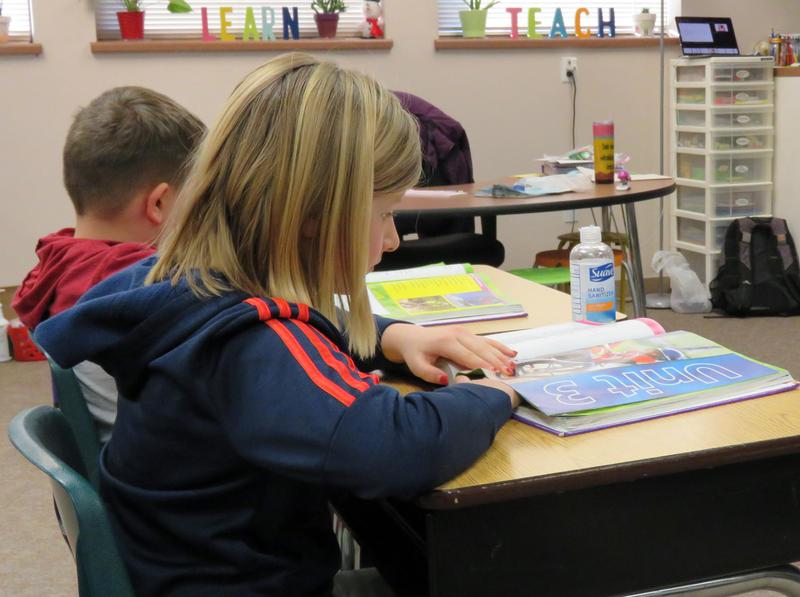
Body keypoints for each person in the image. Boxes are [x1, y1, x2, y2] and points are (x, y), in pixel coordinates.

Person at [36, 53, 521, 597]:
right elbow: (390, 446)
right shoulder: (255, 338)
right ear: (316, 214)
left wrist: (390, 336)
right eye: (384, 214)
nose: (391, 241)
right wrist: (498, 395)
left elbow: (306, 333)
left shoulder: (183, 282)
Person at [13, 86, 205, 442]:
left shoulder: (59, 265)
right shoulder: (147, 290)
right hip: (158, 479)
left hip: (113, 461)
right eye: (196, 197)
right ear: (159, 204)